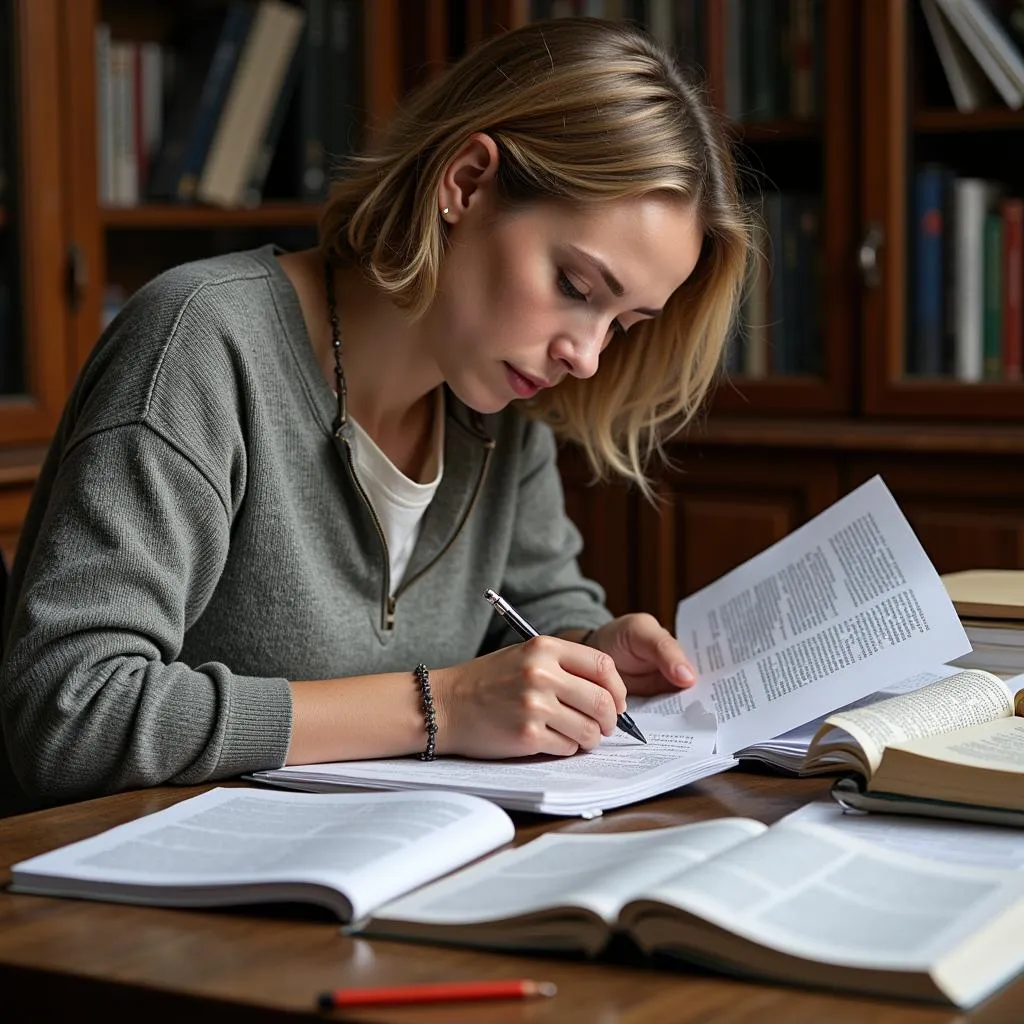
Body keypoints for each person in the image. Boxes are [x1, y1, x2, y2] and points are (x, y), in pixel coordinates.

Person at [0, 17, 750, 813]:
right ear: (464, 183)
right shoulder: (201, 343)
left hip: (378, 875)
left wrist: (590, 654)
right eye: (575, 287)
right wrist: (445, 706)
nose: (587, 356)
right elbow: (69, 711)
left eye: (624, 323)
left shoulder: (503, 404)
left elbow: (533, 613)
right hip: (115, 910)